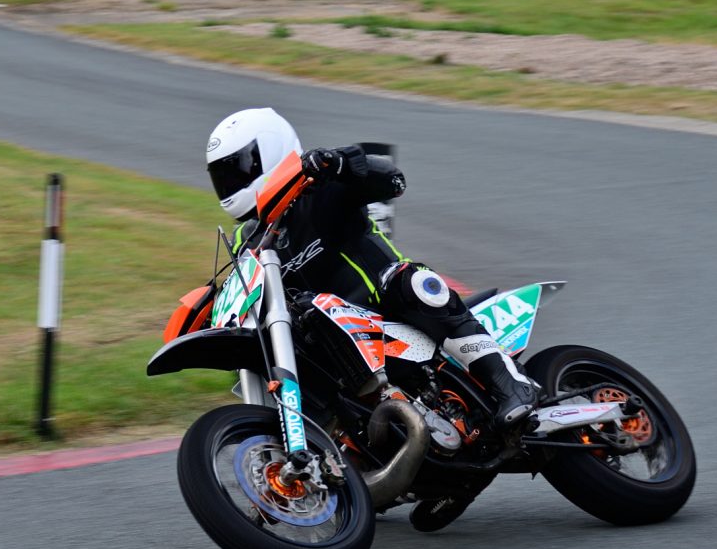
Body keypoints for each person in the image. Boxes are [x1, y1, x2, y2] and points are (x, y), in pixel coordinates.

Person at [204, 107, 539, 428]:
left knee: (414, 283)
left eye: (239, 169)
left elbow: (391, 181)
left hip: (383, 307)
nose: (232, 182)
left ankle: (511, 383)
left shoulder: (317, 186)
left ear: (273, 149)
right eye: (224, 175)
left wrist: (341, 163)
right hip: (330, 340)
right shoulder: (244, 241)